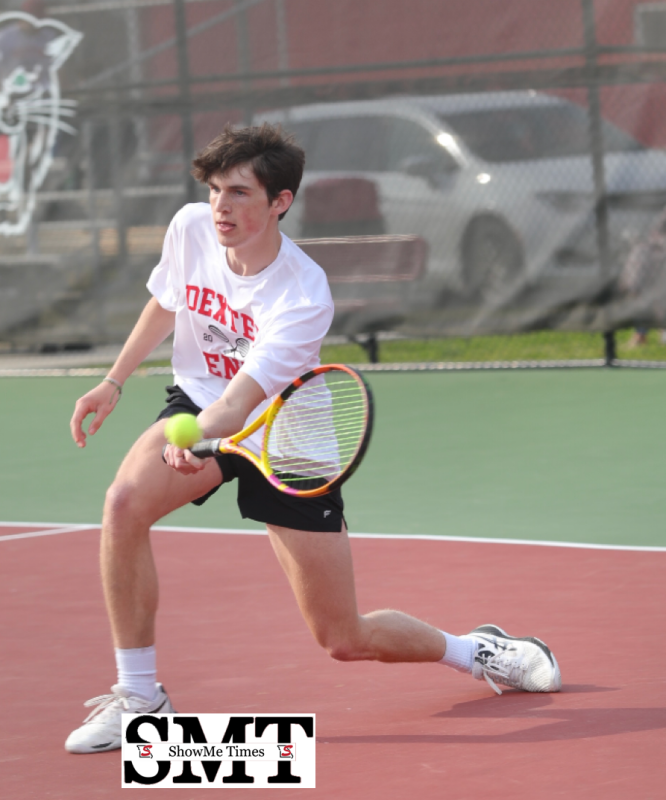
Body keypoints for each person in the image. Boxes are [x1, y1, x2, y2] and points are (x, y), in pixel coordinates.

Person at [65, 124, 562, 755]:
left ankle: (478, 651)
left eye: (241, 193)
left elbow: (242, 402)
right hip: (199, 398)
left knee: (342, 638)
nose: (222, 206)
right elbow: (168, 301)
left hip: (285, 432)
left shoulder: (302, 293)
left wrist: (195, 437)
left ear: (281, 202)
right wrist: (114, 380)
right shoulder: (190, 227)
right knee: (123, 505)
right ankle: (142, 700)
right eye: (216, 190)